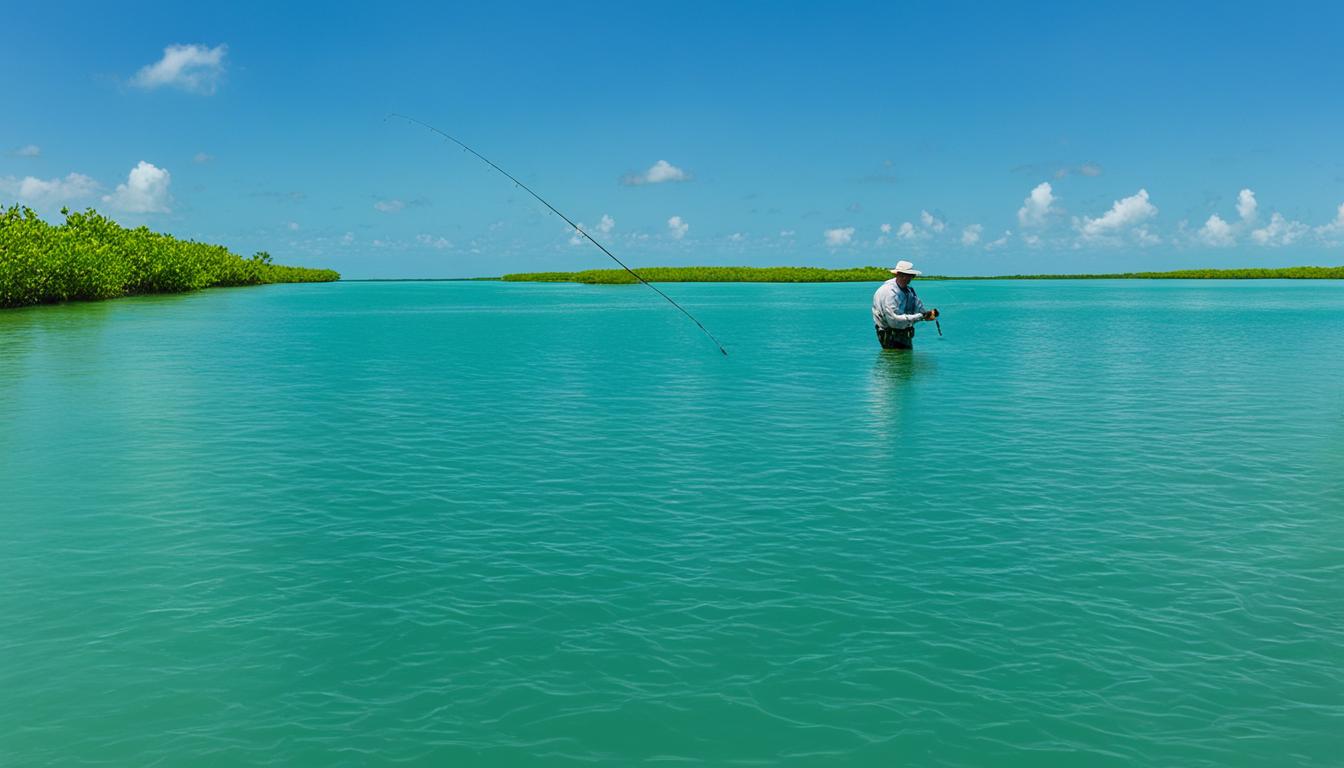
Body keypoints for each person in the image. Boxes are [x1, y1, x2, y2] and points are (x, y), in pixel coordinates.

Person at [872, 260, 938, 350]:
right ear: (898, 274)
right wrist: (921, 316)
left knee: (906, 362)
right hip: (889, 336)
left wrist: (928, 314)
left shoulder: (909, 291)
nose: (908, 278)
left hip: (905, 335)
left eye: (911, 276)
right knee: (895, 362)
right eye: (906, 275)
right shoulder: (889, 292)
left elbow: (918, 308)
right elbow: (894, 320)